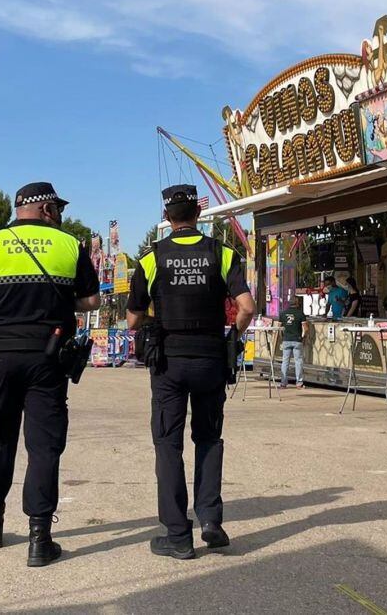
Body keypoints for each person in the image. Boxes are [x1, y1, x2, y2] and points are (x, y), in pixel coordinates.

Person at [0, 182, 100, 567]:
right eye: (58, 208)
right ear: (46, 209)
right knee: (44, 445)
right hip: (48, 355)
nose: (61, 215)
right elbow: (91, 301)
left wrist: (3, 299)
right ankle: (40, 537)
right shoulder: (70, 245)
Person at [127, 184, 254, 560]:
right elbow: (246, 306)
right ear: (198, 213)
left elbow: (133, 318)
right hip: (211, 358)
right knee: (209, 438)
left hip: (168, 362)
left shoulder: (152, 257)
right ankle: (211, 522)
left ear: (167, 217)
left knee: (168, 443)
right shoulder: (222, 253)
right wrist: (233, 335)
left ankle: (177, 535)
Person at [278, 298, 308, 389]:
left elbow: (279, 328)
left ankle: (283, 383)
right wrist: (303, 338)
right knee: (298, 361)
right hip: (297, 340)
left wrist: (281, 337)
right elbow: (306, 329)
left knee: (285, 361)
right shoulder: (300, 314)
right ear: (297, 303)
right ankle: (299, 383)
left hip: (286, 340)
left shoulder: (283, 313)